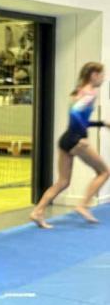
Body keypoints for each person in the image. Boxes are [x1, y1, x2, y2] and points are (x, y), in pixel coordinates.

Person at [30, 61, 109, 228]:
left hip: (66, 139)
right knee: (104, 172)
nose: (103, 78)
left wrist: (102, 123)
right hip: (76, 140)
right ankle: (83, 205)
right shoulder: (90, 93)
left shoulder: (79, 91)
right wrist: (82, 137)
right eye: (102, 75)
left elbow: (81, 119)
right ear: (94, 75)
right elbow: (75, 115)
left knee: (63, 182)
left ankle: (38, 211)